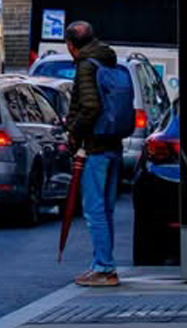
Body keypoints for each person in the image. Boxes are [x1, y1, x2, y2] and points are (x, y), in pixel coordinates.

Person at [65, 20, 122, 287]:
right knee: (106, 209)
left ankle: (104, 267)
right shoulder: (108, 60)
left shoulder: (86, 65)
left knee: (94, 209)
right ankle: (104, 263)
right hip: (114, 144)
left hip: (95, 147)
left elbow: (89, 106)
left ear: (71, 45)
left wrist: (74, 133)